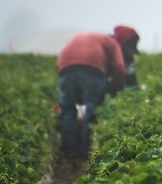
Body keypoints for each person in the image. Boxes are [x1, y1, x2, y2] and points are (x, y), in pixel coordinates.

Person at [56, 27, 134, 160]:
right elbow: (120, 69)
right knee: (92, 110)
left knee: (68, 110)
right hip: (92, 70)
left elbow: (60, 64)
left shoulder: (78, 37)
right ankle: (85, 153)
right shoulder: (112, 43)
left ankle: (69, 151)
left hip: (65, 69)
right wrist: (116, 90)